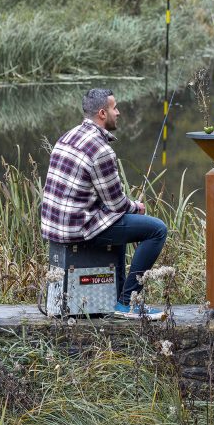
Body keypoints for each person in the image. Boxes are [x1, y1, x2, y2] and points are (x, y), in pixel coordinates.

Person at [41, 88, 168, 319]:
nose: (118, 112)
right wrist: (136, 207)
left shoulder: (67, 137)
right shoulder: (101, 150)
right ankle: (127, 302)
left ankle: (116, 297)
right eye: (114, 108)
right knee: (157, 230)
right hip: (78, 229)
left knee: (116, 221)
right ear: (102, 113)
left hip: (56, 227)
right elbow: (118, 204)